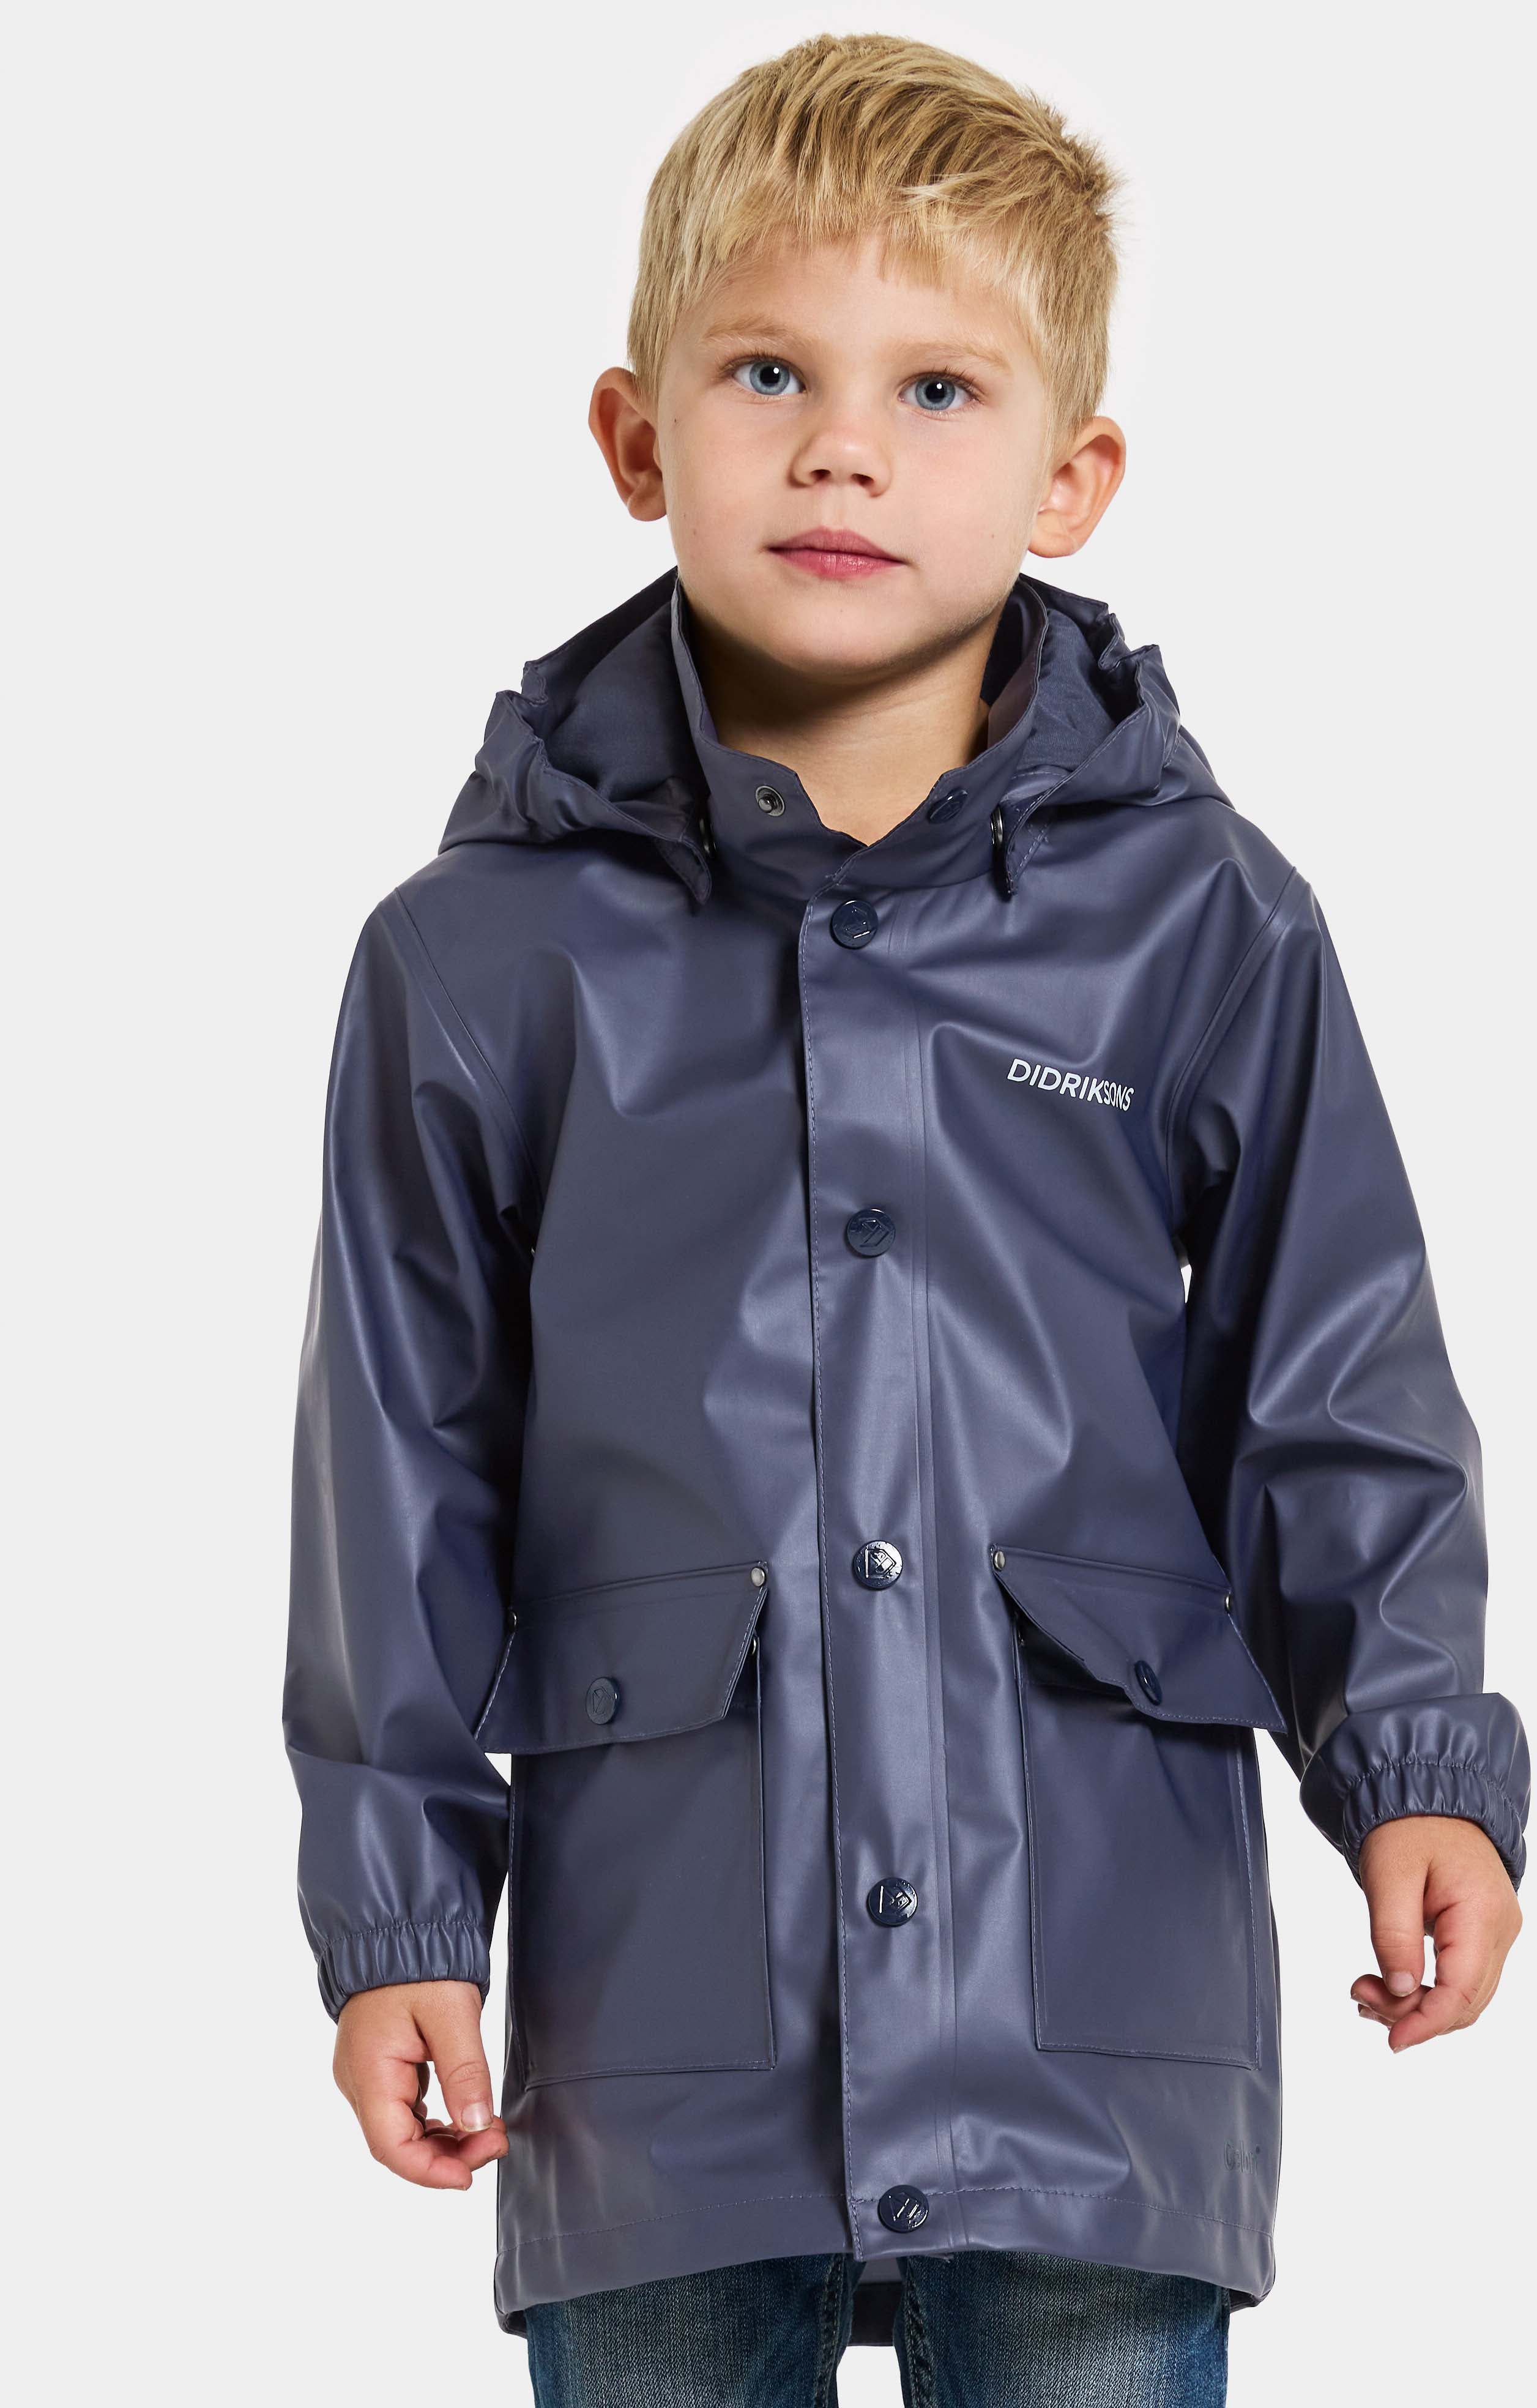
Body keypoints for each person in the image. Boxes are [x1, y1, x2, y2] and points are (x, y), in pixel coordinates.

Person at [283, 31, 1528, 2406]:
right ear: (636, 436)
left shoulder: (1205, 920)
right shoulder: (477, 957)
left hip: (1096, 1979)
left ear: (1072, 478)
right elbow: (395, 1467)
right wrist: (397, 1912)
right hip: (663, 2000)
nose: (844, 447)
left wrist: (1415, 1762)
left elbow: (1332, 1375)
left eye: (937, 389)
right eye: (769, 372)